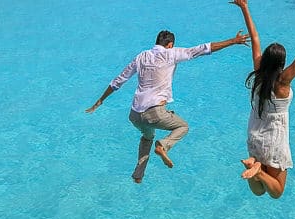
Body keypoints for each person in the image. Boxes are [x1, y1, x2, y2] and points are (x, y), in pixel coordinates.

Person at [86, 29, 248, 183]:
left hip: (135, 115)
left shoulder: (142, 56)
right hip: (154, 113)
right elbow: (204, 49)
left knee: (147, 137)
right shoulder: (172, 53)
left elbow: (118, 81)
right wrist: (233, 41)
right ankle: (164, 146)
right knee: (183, 127)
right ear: (170, 44)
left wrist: (100, 101)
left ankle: (138, 175)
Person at [229, 0, 295, 199]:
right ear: (282, 64)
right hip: (274, 140)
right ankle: (257, 170)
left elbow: (255, 37)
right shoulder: (284, 81)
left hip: (254, 136)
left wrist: (244, 8)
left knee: (258, 191)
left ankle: (255, 168)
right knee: (276, 192)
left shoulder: (257, 73)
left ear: (265, 59)